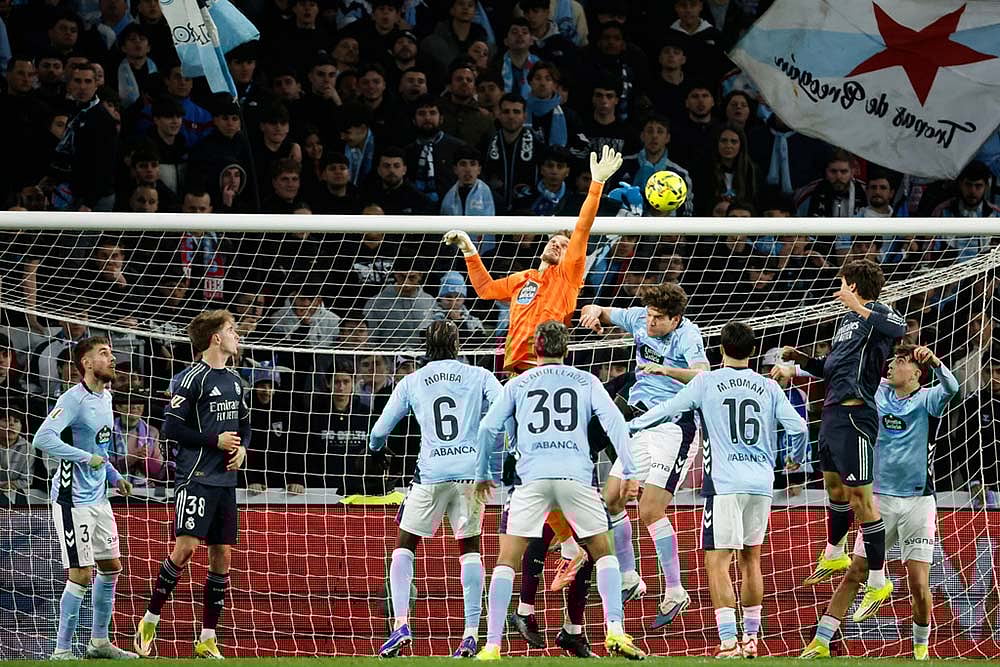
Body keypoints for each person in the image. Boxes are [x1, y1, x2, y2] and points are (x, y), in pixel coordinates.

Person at [630, 321, 807, 657]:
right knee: (751, 559)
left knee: (717, 561)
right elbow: (798, 426)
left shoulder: (707, 382)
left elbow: (667, 410)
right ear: (753, 351)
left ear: (721, 350)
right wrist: (795, 459)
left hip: (725, 484)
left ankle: (728, 641)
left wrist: (630, 424)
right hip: (761, 484)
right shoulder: (768, 387)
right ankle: (752, 640)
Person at [472, 321, 644, 660]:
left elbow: (487, 427)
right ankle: (615, 630)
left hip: (532, 480)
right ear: (567, 350)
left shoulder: (518, 383)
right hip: (574, 478)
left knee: (506, 559)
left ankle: (491, 645)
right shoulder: (587, 381)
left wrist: (482, 473)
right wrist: (631, 471)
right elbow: (615, 424)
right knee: (603, 552)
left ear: (535, 348)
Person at [801, 344, 958, 660]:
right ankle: (820, 641)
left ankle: (920, 648)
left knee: (918, 582)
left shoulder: (928, 398)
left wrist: (937, 362)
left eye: (900, 361)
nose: (892, 365)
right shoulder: (878, 393)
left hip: (918, 501)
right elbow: (849, 375)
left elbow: (952, 387)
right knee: (855, 572)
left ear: (916, 372)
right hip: (880, 500)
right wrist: (803, 365)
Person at [771, 259, 906, 617]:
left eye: (843, 282)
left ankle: (878, 580)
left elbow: (899, 329)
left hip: (857, 415)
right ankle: (835, 551)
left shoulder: (877, 313)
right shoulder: (847, 322)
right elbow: (830, 367)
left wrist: (858, 306)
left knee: (862, 499)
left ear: (854, 285)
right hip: (831, 413)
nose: (839, 287)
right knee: (834, 487)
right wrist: (796, 363)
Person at [579, 282, 709, 627]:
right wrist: (593, 311)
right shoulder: (639, 317)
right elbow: (604, 312)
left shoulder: (688, 337)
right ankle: (629, 578)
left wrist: (668, 370)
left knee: (650, 509)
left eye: (658, 319)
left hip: (674, 426)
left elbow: (703, 376)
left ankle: (675, 590)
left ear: (676, 319)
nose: (650, 324)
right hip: (638, 422)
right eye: (649, 317)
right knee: (611, 499)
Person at [370, 321, 502, 658]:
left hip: (430, 474)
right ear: (457, 343)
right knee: (469, 548)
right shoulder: (480, 375)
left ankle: (401, 624)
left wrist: (378, 450)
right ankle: (471, 634)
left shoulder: (412, 381)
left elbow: (378, 432)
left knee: (405, 543)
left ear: (426, 346)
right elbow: (503, 410)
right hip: (470, 473)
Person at [444, 145, 623, 373]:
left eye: (565, 245)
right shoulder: (522, 278)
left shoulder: (568, 277)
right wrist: (470, 251)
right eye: (554, 241)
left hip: (548, 368)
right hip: (514, 373)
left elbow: (583, 227)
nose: (557, 244)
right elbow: (485, 289)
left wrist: (596, 184)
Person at [134, 310, 250, 659]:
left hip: (225, 481)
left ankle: (207, 637)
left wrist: (242, 447)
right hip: (195, 476)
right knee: (185, 549)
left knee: (222, 556)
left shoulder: (236, 380)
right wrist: (215, 441)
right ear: (216, 337)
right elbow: (172, 429)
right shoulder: (190, 380)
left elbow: (245, 425)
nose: (236, 335)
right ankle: (149, 620)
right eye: (231, 330)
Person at [32, 336, 136, 659]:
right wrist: (81, 457)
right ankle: (62, 650)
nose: (112, 358)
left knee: (111, 566)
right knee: (80, 572)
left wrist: (115, 476)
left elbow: (99, 452)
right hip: (71, 499)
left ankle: (99, 643)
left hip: (99, 497)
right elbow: (42, 438)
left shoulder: (107, 399)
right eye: (103, 354)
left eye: (111, 353)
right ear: (87, 364)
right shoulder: (73, 399)